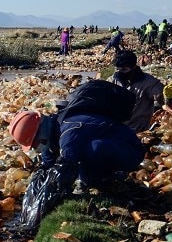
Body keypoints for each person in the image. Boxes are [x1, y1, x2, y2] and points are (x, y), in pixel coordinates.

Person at [8, 81, 144, 228]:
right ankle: (97, 178)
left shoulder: (69, 131)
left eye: (34, 144)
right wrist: (38, 181)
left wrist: (58, 193)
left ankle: (97, 180)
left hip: (131, 151)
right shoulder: (52, 131)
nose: (36, 148)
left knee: (92, 150)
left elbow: (65, 166)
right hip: (112, 146)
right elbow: (48, 164)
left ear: (39, 134)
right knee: (83, 153)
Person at [107, 50, 165, 132]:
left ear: (133, 67)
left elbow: (162, 98)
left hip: (137, 130)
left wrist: (168, 97)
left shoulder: (148, 82)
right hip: (116, 127)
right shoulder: (112, 80)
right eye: (118, 69)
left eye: (124, 69)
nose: (120, 72)